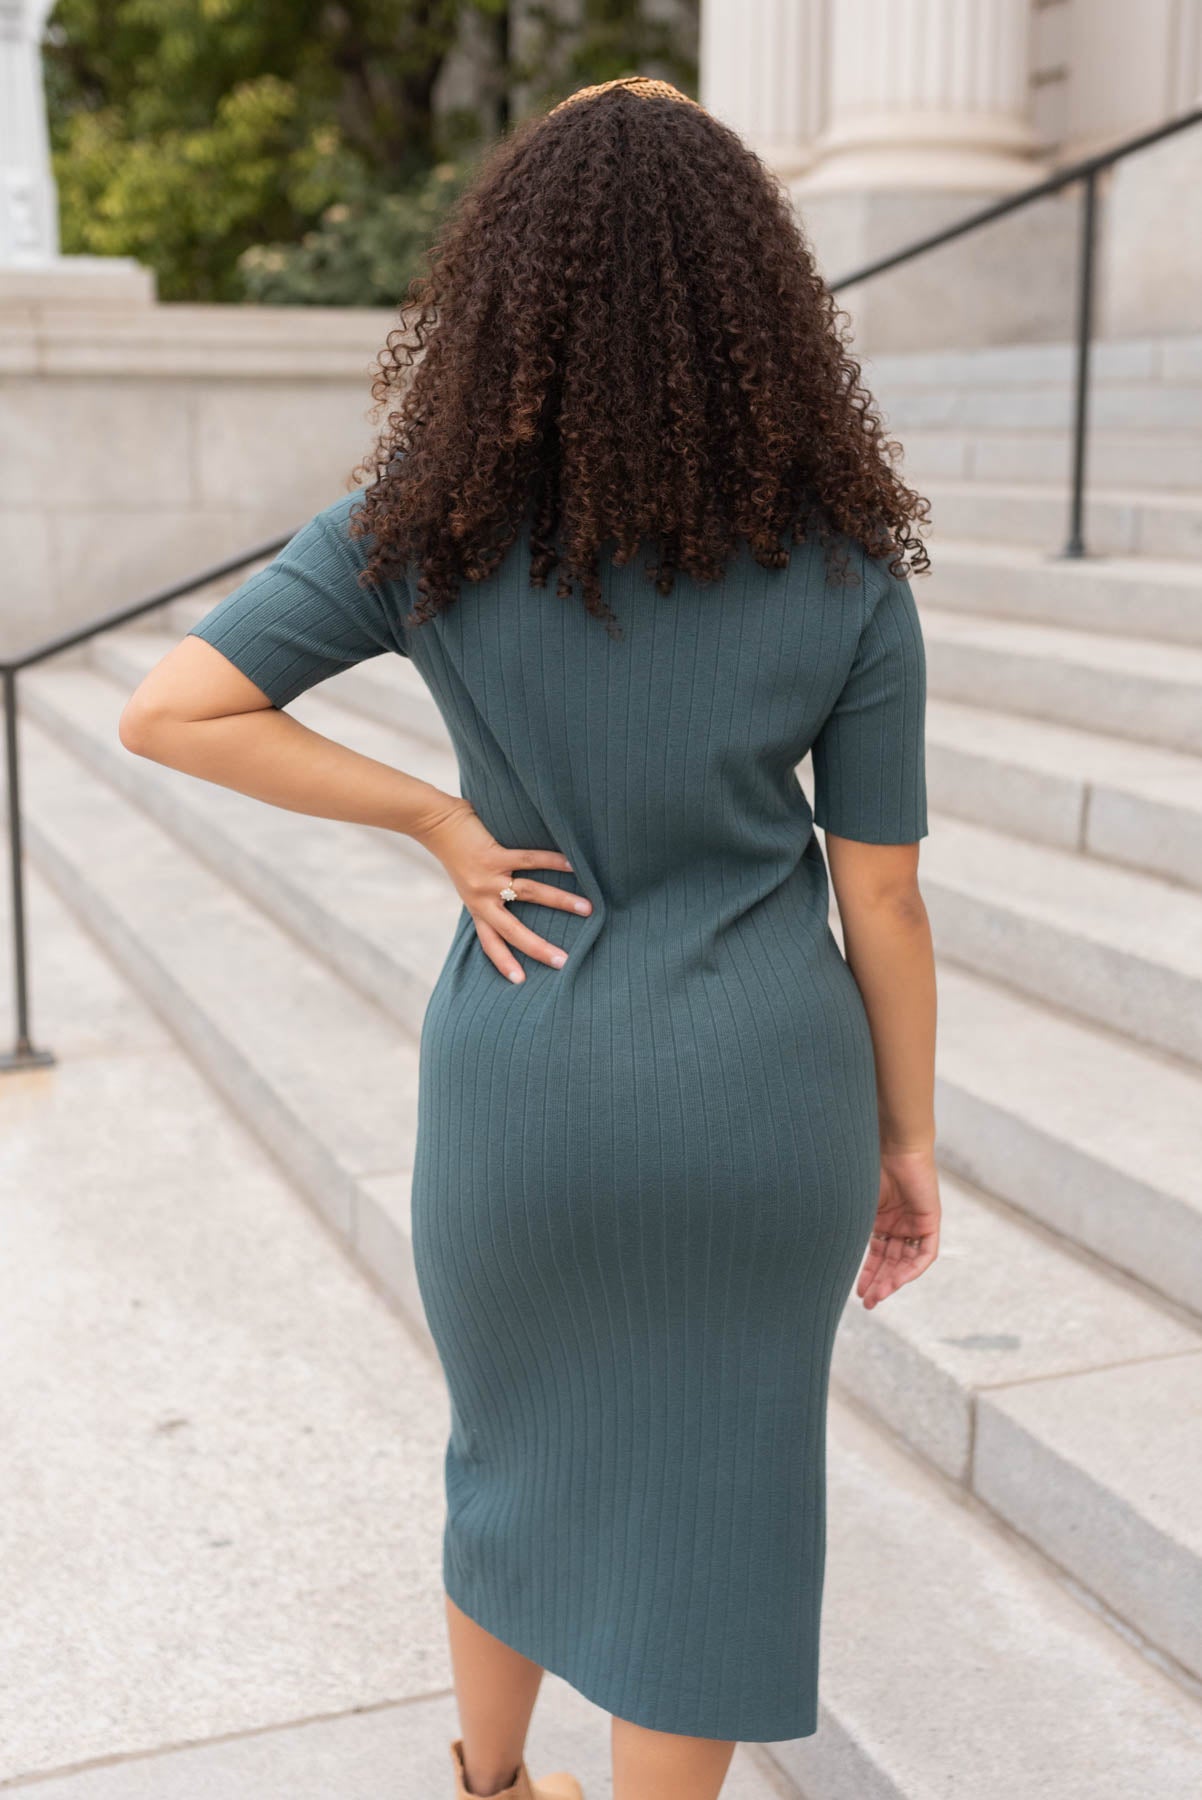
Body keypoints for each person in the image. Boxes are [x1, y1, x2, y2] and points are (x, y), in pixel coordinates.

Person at [118, 73, 940, 1800]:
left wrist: (435, 819)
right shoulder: (844, 568)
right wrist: (907, 1138)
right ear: (760, 305)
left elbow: (174, 713)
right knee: (718, 1491)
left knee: (513, 1456)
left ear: (500, 291)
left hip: (522, 1063)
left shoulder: (426, 524)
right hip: (755, 1096)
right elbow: (880, 893)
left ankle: (491, 1787)